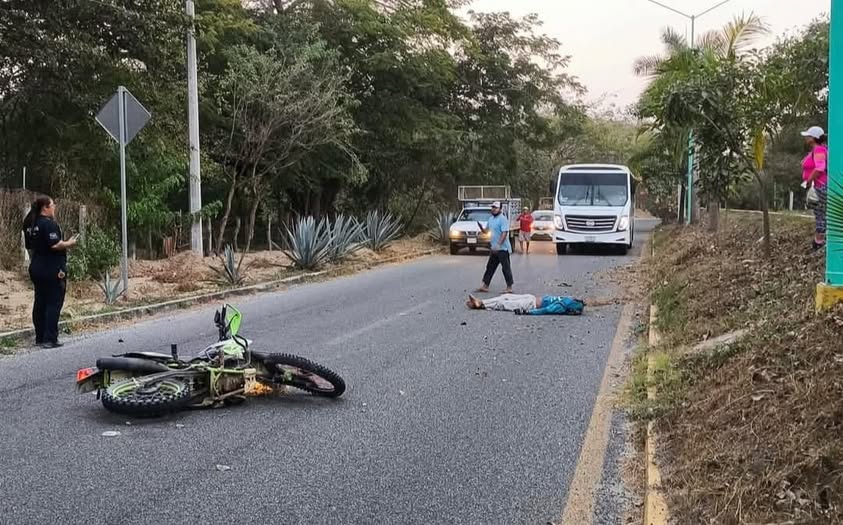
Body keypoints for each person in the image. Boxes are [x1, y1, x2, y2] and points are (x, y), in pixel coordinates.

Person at [21, 195, 78, 347]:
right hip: (53, 268)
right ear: (45, 207)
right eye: (52, 205)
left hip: (36, 267)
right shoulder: (49, 225)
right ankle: (50, 338)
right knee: (53, 303)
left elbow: (30, 247)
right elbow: (55, 245)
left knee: (40, 301)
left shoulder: (29, 224)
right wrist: (69, 243)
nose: (54, 207)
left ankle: (40, 337)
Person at [800, 125, 829, 251]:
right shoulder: (816, 150)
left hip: (822, 186)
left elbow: (819, 168)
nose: (806, 137)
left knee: (821, 213)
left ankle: (819, 242)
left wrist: (808, 181)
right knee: (819, 213)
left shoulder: (819, 150)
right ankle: (819, 240)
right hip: (818, 185)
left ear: (814, 138)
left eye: (809, 135)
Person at [476, 201, 513, 293]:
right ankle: (485, 285)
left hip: (503, 249)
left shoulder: (503, 219)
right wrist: (481, 228)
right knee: (490, 267)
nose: (494, 209)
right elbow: (486, 231)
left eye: (496, 208)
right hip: (494, 248)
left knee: (506, 267)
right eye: (493, 207)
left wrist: (498, 245)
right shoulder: (491, 219)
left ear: (500, 209)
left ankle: (509, 287)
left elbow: (504, 233)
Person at [466, 293, 585, 315]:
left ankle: (481, 304)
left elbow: (546, 310)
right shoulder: (565, 300)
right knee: (506, 296)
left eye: (577, 299)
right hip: (531, 298)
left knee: (504, 303)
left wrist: (527, 312)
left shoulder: (562, 306)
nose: (577, 297)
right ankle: (481, 302)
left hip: (530, 305)